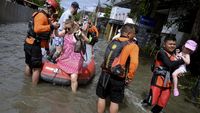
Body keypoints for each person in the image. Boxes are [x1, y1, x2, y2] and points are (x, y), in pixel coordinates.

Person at [96, 24, 139, 113]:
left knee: (102, 97)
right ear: (129, 34)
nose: (135, 36)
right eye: (134, 34)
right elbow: (134, 64)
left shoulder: (114, 41)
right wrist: (129, 78)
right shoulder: (133, 46)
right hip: (118, 77)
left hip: (104, 73)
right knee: (115, 101)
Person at [141, 36, 186, 113]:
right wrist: (184, 61)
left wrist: (178, 73)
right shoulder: (161, 53)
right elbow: (169, 64)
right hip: (158, 80)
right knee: (152, 101)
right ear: (164, 44)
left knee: (162, 103)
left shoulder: (175, 55)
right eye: (170, 44)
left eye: (174, 44)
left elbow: (174, 68)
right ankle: (144, 103)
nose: (172, 46)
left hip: (168, 82)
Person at [24, 0, 60, 85]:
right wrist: (52, 26)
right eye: (53, 11)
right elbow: (37, 29)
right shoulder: (42, 16)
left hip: (28, 43)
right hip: (34, 45)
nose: (53, 13)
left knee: (28, 64)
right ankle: (33, 89)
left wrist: (47, 48)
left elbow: (44, 36)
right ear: (50, 8)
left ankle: (26, 83)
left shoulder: (38, 14)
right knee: (37, 68)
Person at [54, 19, 89, 93]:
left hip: (75, 58)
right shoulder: (65, 32)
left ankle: (73, 95)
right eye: (65, 28)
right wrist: (55, 29)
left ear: (73, 27)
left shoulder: (77, 33)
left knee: (73, 77)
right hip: (66, 56)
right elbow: (57, 35)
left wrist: (82, 36)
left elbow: (88, 41)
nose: (66, 29)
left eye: (68, 28)